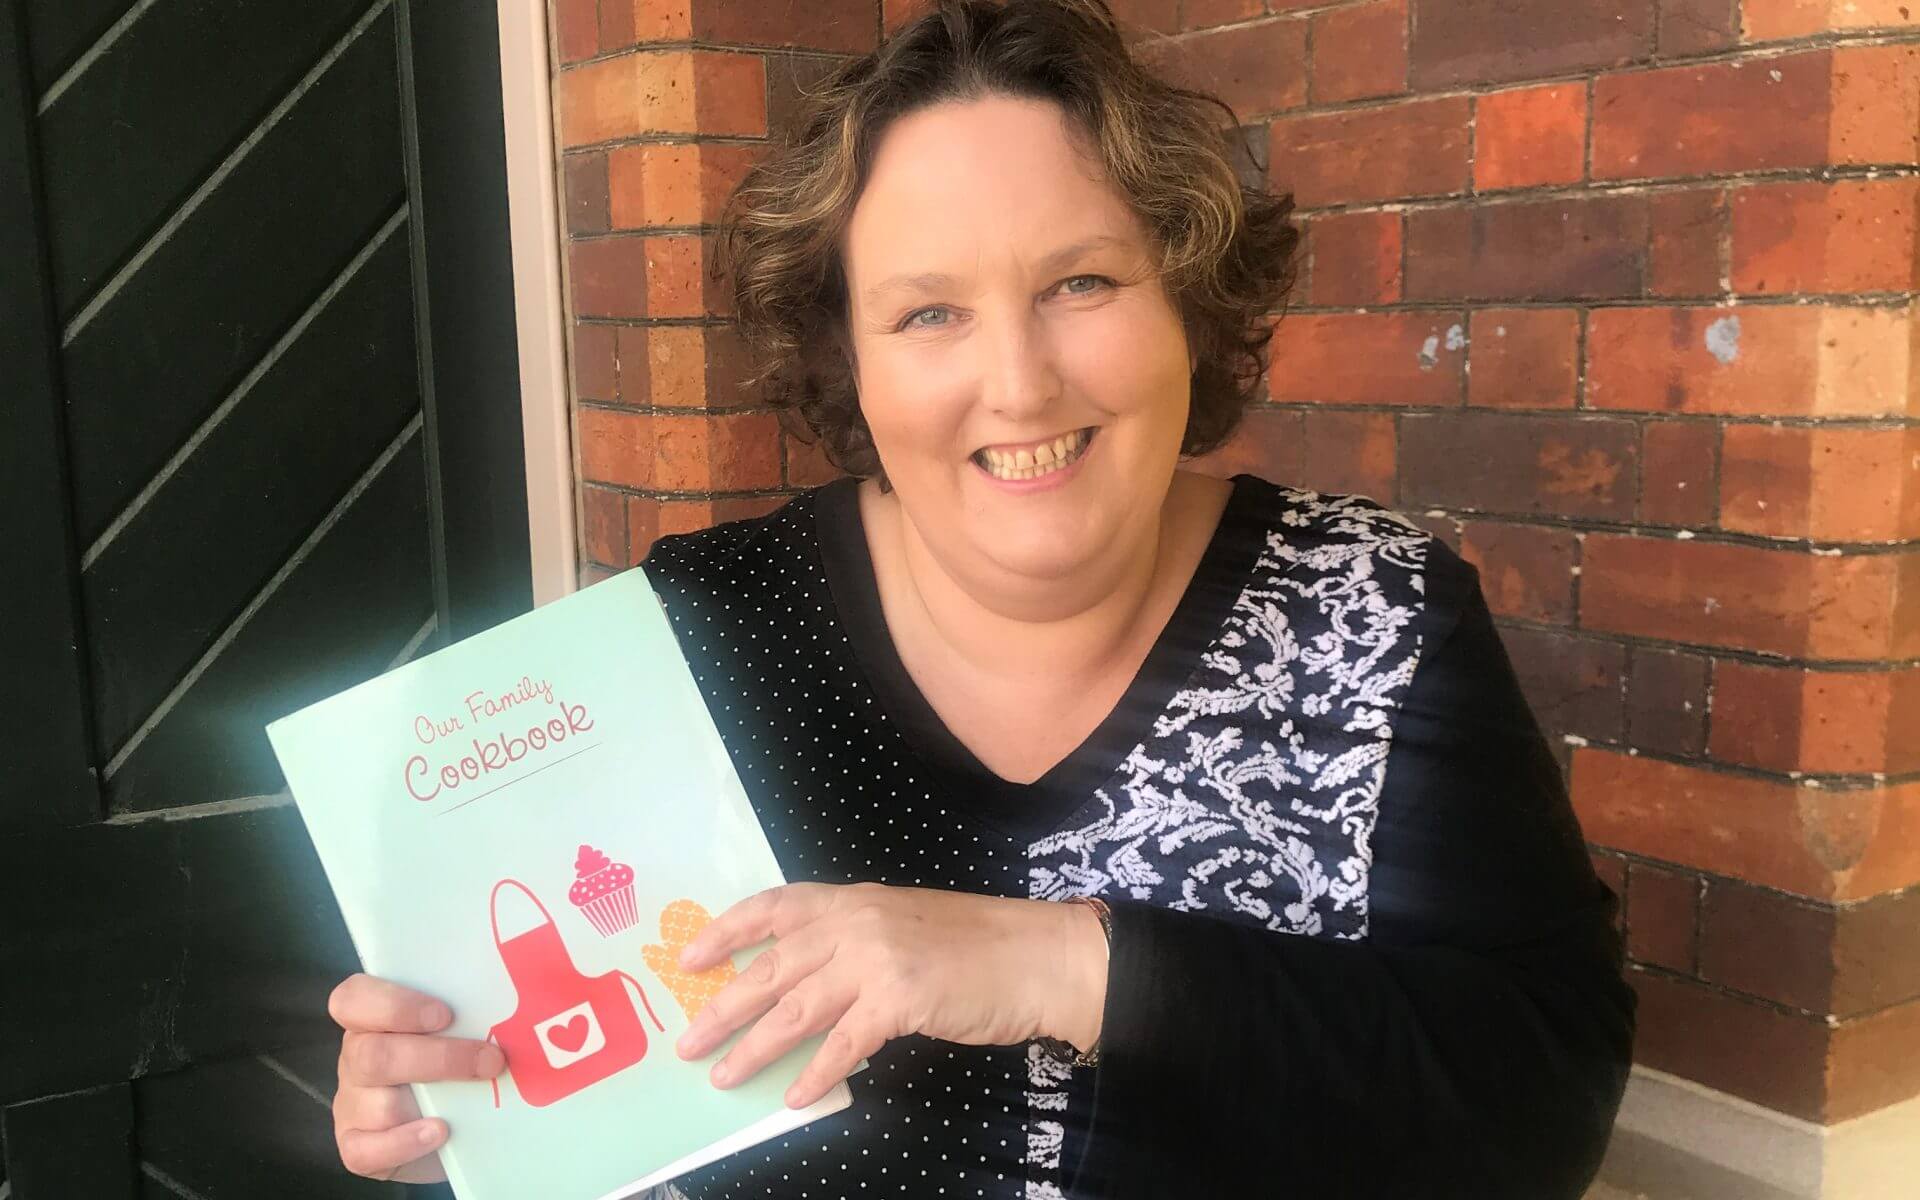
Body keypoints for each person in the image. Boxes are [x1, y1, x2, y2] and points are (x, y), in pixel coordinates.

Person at [324, 1, 1636, 1196]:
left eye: (1081, 282)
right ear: (848, 354)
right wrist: (461, 1108)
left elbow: (1540, 1109)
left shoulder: (1374, 618)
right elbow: (598, 1093)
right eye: (928, 314)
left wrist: (1065, 966)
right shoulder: (699, 635)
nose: (1018, 383)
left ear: (1185, 297)